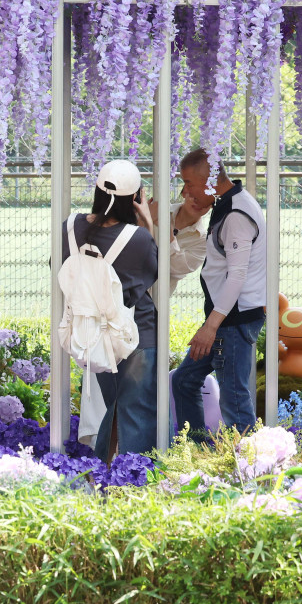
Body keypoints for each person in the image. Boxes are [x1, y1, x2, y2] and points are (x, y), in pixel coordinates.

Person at [78, 188, 210, 453]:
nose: (197, 200)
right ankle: (117, 468)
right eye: (193, 192)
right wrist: (141, 224)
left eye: (206, 198)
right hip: (115, 315)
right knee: (117, 402)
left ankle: (114, 469)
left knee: (131, 402)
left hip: (147, 318)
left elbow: (168, 268)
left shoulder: (201, 241)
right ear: (185, 189)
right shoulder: (156, 209)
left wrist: (150, 229)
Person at [62, 160, 159, 458]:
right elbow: (154, 274)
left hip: (93, 338)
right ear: (136, 197)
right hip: (135, 335)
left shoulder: (70, 227)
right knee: (137, 412)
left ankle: (103, 472)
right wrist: (149, 225)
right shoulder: (139, 238)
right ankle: (134, 482)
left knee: (114, 406)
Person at [171, 148, 267, 437]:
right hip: (223, 319)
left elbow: (237, 276)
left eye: (189, 183)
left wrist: (210, 327)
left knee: (235, 401)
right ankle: (198, 453)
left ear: (210, 181)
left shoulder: (237, 214)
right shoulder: (229, 202)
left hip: (231, 321)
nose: (185, 192)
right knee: (185, 381)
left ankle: (249, 473)